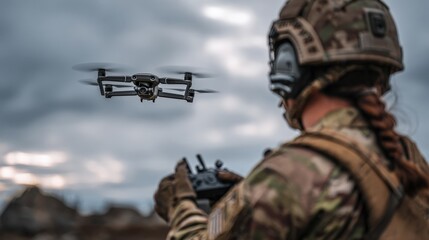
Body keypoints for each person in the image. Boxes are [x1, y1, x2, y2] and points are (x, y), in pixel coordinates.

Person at [154, 0, 429, 239]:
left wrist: (181, 205)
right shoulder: (407, 157)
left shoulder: (292, 175)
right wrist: (245, 196)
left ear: (289, 63)